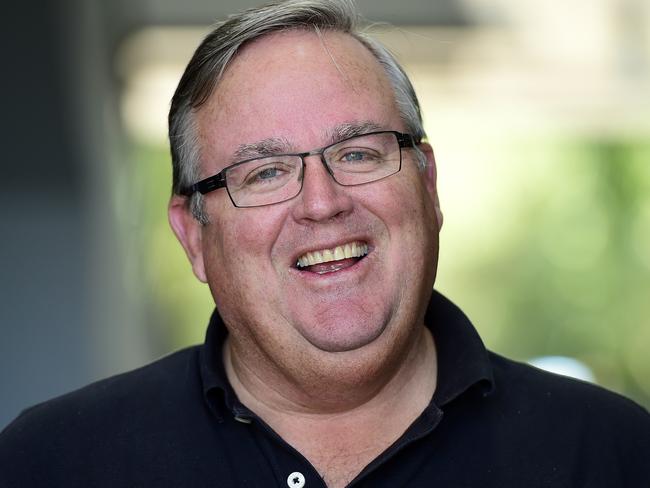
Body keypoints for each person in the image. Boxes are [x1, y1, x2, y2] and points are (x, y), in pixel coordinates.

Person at [1, 0, 649, 486]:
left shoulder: (615, 455)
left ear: (427, 183)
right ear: (193, 235)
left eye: (360, 152)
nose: (323, 202)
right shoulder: (51, 464)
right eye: (266, 172)